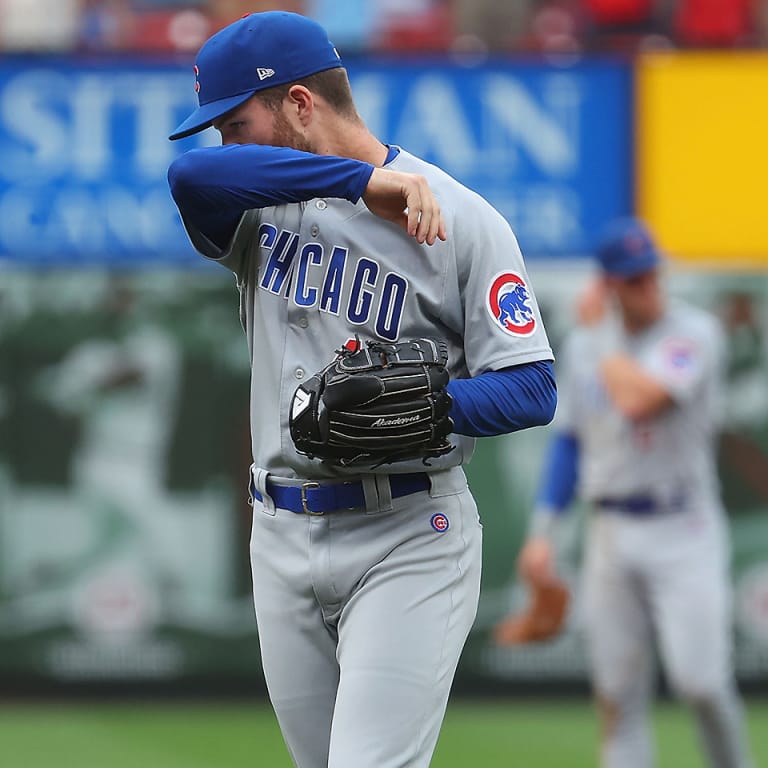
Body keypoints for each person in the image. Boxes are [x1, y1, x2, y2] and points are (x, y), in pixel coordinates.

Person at [164, 12, 556, 768]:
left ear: (300, 105)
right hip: (279, 530)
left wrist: (426, 408)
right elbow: (189, 176)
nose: (225, 143)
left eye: (236, 123)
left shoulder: (462, 217)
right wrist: (361, 181)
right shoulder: (259, 203)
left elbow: (532, 387)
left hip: (407, 530)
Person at [498, 217, 753, 768]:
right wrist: (543, 533)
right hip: (610, 530)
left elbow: (641, 400)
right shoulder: (589, 345)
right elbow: (568, 444)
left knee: (702, 683)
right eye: (633, 278)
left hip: (682, 525)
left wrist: (602, 333)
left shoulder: (693, 333)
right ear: (609, 283)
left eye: (651, 274)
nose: (649, 286)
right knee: (617, 695)